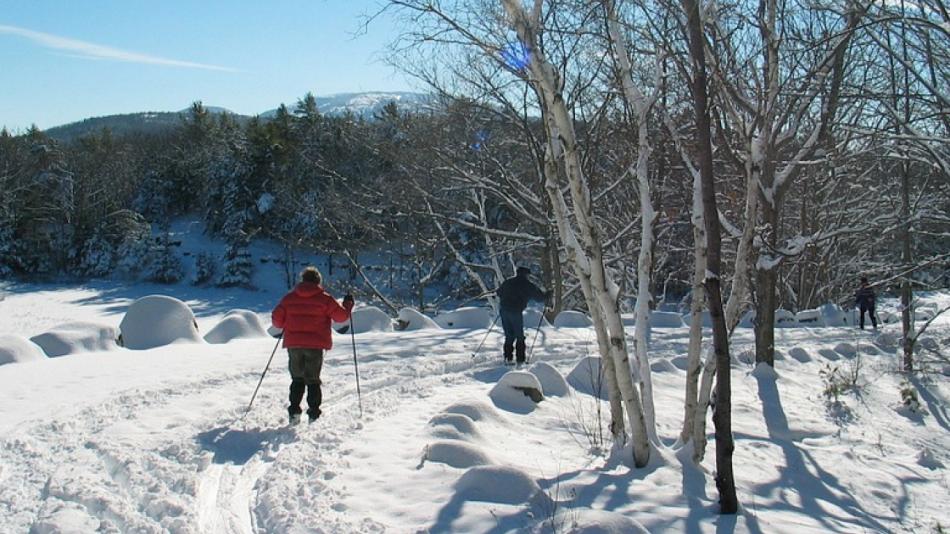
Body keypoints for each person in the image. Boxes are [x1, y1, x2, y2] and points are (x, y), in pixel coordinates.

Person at [272, 266, 354, 424]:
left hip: (294, 344)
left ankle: (294, 411)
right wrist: (348, 305)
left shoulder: (289, 298)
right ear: (318, 281)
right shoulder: (324, 298)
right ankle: (313, 414)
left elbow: (276, 320)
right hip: (315, 346)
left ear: (302, 280)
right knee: (313, 380)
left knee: (297, 378)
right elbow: (341, 317)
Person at [496, 266, 549, 365]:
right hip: (515, 311)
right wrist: (547, 295)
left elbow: (498, 292)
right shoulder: (527, 285)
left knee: (509, 335)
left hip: (503, 310)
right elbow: (539, 297)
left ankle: (508, 357)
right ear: (526, 275)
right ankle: (520, 359)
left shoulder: (508, 282)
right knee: (519, 335)